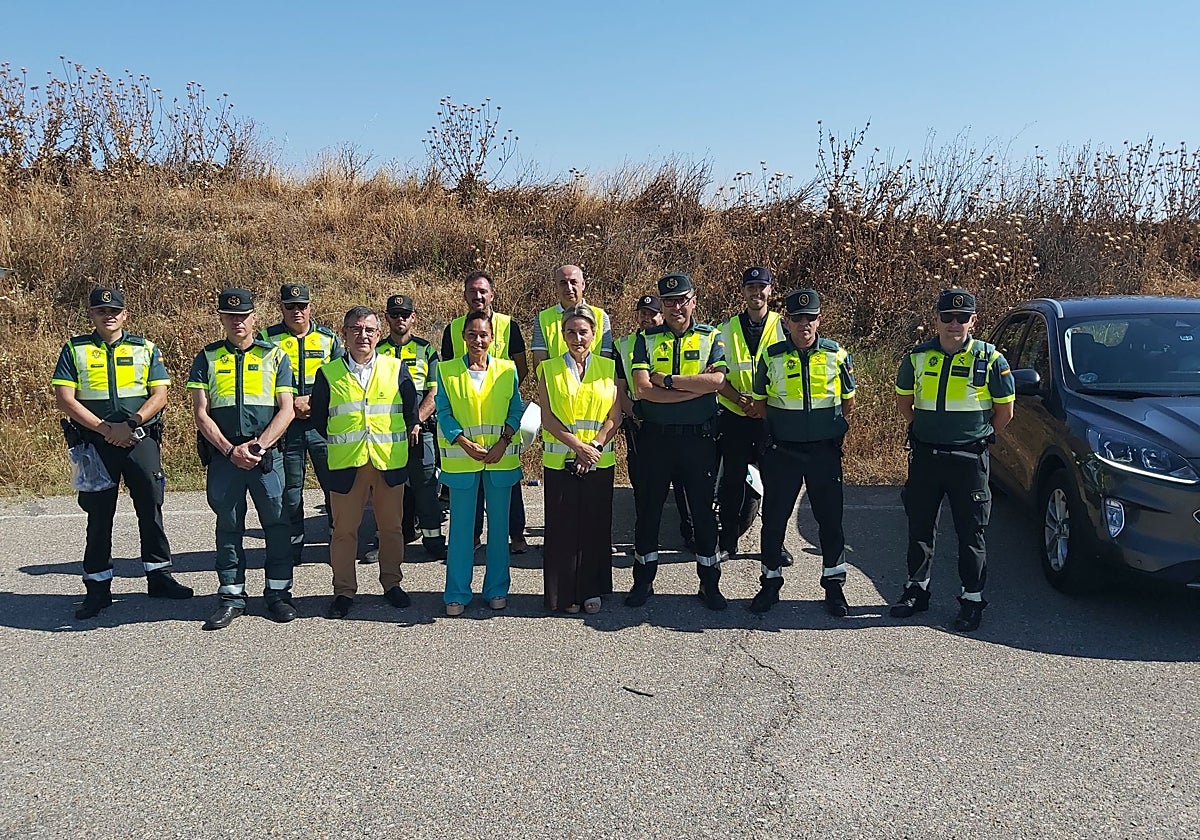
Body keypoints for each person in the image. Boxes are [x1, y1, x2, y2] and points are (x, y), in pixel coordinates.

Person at [51, 286, 193, 620]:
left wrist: (130, 424)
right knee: (99, 515)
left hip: (139, 438)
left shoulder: (145, 348)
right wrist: (106, 430)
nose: (108, 315)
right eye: (101, 311)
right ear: (92, 315)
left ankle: (159, 576)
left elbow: (160, 394)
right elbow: (65, 399)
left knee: (151, 505)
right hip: (95, 444)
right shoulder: (75, 349)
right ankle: (97, 588)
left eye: (114, 310)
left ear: (125, 314)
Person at [892, 288, 1015, 632]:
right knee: (919, 527)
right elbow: (905, 404)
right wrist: (925, 429)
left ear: (973, 321)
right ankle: (917, 591)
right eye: (947, 317)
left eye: (962, 318)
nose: (954, 324)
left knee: (971, 532)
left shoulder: (991, 359)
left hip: (968, 460)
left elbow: (1005, 412)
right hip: (927, 456)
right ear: (936, 319)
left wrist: (978, 436)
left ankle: (972, 600)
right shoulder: (917, 357)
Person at [188, 288, 296, 631]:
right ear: (221, 318)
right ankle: (232, 597)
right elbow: (201, 414)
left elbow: (287, 410)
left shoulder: (274, 356)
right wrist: (229, 450)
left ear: (254, 318)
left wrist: (259, 447)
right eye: (230, 316)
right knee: (229, 526)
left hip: (264, 455)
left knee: (277, 525)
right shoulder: (206, 357)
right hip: (225, 457)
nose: (238, 321)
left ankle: (278, 595)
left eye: (244, 316)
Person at [749, 289, 856, 615]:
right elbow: (760, 404)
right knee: (775, 520)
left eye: (810, 317)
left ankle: (834, 587)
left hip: (824, 452)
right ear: (787, 322)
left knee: (829, 521)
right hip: (784, 452)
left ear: (819, 319)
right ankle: (770, 583)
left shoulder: (837, 355)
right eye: (797, 318)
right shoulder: (772, 356)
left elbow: (848, 402)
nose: (804, 324)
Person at [309, 306, 419, 619]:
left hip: (388, 462)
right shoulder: (328, 373)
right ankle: (344, 591)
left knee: (391, 529)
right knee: (344, 531)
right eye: (356, 329)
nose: (363, 335)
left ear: (379, 334)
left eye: (369, 330)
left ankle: (392, 583)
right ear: (343, 334)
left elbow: (410, 411)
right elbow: (319, 418)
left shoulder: (396, 369)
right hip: (347, 464)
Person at [628, 272, 728, 610]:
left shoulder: (711, 336)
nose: (676, 307)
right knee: (649, 513)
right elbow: (642, 389)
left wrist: (669, 382)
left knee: (702, 514)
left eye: (682, 300)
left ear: (694, 300)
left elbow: (716, 380)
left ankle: (710, 585)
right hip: (656, 441)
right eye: (669, 301)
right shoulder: (646, 338)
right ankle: (643, 583)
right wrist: (692, 391)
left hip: (698, 442)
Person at [435, 311, 524, 616]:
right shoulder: (446, 371)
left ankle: (497, 589)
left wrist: (504, 441)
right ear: (463, 337)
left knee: (499, 530)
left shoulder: (507, 369)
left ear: (492, 338)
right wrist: (461, 440)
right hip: (463, 461)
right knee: (461, 531)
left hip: (500, 460)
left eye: (483, 335)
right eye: (472, 334)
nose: (478, 340)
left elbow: (516, 410)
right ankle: (457, 592)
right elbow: (444, 412)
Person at [537, 305, 620, 613]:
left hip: (599, 460)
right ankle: (565, 595)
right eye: (571, 332)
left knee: (594, 528)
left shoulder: (608, 368)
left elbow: (615, 416)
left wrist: (594, 446)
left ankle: (590, 590)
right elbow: (548, 417)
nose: (577, 338)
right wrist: (578, 447)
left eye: (583, 332)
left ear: (594, 335)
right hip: (562, 461)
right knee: (562, 529)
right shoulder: (548, 369)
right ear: (562, 335)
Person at [441, 270, 531, 554]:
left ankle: (516, 534)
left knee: (507, 480)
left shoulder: (508, 325)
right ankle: (474, 534)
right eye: (472, 291)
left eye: (483, 291)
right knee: (471, 483)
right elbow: (447, 372)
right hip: (465, 410)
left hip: (501, 410)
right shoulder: (452, 328)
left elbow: (521, 366)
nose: (477, 296)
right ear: (465, 295)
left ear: (492, 294)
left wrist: (504, 396)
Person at [259, 283, 342, 565]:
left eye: (302, 306)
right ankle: (293, 548)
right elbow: (259, 382)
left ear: (310, 307)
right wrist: (290, 404)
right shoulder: (266, 339)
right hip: (287, 426)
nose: (297, 311)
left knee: (333, 486)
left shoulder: (328, 339)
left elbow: (341, 381)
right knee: (290, 492)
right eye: (290, 306)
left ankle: (337, 542)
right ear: (281, 308)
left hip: (321, 425)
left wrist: (314, 403)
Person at [715, 266, 786, 559]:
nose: (756, 292)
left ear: (771, 290)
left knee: (775, 484)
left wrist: (763, 405)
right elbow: (716, 374)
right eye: (751, 287)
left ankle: (774, 544)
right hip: (734, 415)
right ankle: (728, 539)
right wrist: (740, 399)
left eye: (762, 287)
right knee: (732, 481)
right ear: (743, 291)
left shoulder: (784, 326)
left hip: (771, 418)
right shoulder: (725, 329)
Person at [614, 294, 693, 548]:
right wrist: (633, 413)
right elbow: (619, 387)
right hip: (640, 422)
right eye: (643, 314)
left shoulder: (670, 341)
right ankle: (645, 533)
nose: (648, 318)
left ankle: (688, 530)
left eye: (653, 313)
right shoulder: (623, 344)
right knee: (643, 483)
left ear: (662, 316)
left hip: (675, 420)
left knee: (682, 482)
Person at [378, 294, 445, 559]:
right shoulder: (377, 349)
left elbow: (435, 391)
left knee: (425, 484)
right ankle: (390, 539)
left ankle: (433, 540)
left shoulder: (425, 349)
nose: (400, 319)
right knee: (389, 489)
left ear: (413, 317)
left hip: (420, 430)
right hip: (386, 431)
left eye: (405, 314)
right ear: (387, 318)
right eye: (395, 315)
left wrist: (415, 421)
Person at [530, 264, 613, 374]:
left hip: (592, 386)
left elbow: (606, 361)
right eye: (563, 283)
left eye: (573, 282)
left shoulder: (601, 316)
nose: (569, 288)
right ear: (556, 287)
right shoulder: (542, 318)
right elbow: (540, 365)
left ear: (583, 285)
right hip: (557, 387)